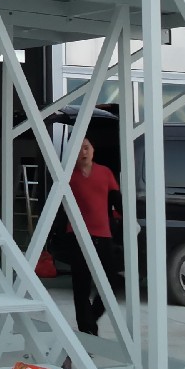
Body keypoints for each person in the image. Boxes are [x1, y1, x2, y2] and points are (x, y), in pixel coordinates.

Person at [57, 136, 119, 336]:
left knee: (110, 284)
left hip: (103, 235)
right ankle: (87, 330)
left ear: (93, 150)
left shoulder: (105, 172)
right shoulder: (68, 176)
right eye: (79, 149)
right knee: (81, 286)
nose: (83, 152)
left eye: (86, 148)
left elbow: (117, 201)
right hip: (78, 237)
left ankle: (90, 318)